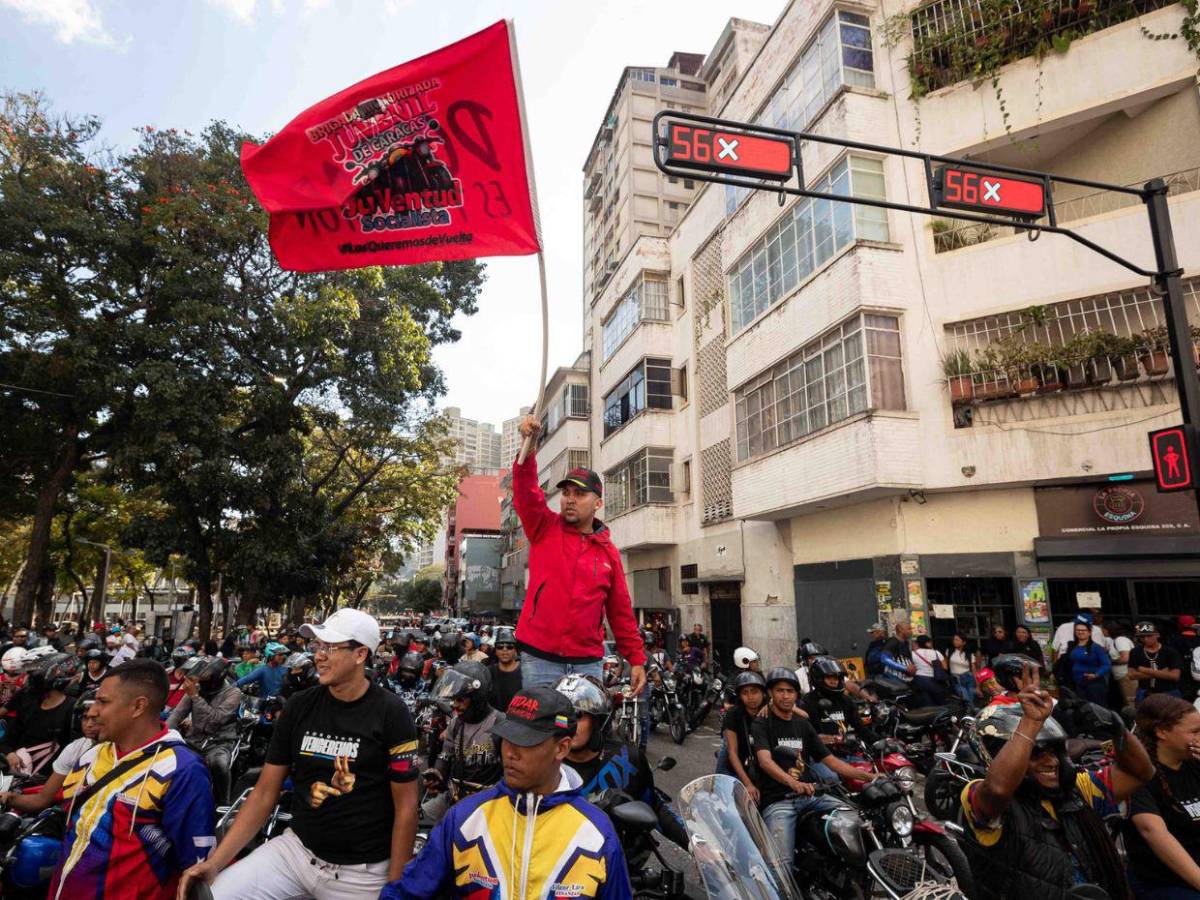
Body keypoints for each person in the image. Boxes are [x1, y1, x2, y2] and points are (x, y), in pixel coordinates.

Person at [178, 608, 419, 900]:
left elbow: (406, 808)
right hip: (295, 851)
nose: (319, 655)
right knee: (212, 894)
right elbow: (265, 792)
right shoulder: (298, 706)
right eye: (318, 645)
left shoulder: (392, 712)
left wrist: (395, 887)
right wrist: (215, 864)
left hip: (362, 872)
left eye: (331, 647)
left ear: (361, 654)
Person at [379, 686, 634, 900]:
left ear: (561, 748)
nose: (511, 752)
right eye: (506, 740)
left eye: (526, 742)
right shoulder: (465, 818)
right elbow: (407, 893)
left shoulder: (597, 833)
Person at [960, 662, 1155, 900]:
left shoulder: (1075, 789)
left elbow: (1140, 773)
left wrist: (1116, 729)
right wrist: (1031, 723)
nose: (1051, 762)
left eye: (1054, 751)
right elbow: (999, 789)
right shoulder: (980, 799)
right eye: (1036, 752)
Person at [49, 660, 215, 900]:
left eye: (103, 702)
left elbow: (195, 867)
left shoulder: (182, 770)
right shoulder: (92, 755)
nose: (93, 711)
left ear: (138, 707)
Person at [512, 416, 646, 694]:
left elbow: (620, 612)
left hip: (588, 664)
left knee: (583, 735)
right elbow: (526, 492)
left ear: (597, 503)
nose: (569, 498)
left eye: (579, 494)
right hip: (539, 658)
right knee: (541, 734)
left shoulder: (608, 553)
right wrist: (529, 444)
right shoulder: (543, 527)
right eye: (566, 492)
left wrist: (636, 659)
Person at [555, 673, 687, 846]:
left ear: (598, 720)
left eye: (578, 715)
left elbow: (656, 809)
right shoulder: (544, 763)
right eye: (562, 716)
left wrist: (698, 846)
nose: (569, 724)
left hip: (617, 861)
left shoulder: (628, 759)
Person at [752, 667, 870, 858]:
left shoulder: (802, 723)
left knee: (858, 821)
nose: (785, 696)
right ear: (770, 694)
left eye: (790, 691)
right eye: (780, 691)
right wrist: (794, 783)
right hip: (779, 801)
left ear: (797, 694)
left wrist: (869, 776)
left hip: (812, 797)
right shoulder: (762, 723)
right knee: (781, 865)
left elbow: (830, 761)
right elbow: (765, 761)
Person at [1126, 694, 1200, 898]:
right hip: (1165, 881)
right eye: (1195, 731)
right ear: (1162, 732)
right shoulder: (1139, 775)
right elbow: (1155, 834)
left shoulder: (1194, 763)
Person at [422, 659, 503, 824]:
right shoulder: (456, 723)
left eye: (460, 700)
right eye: (453, 700)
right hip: (455, 797)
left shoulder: (500, 724)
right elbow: (446, 754)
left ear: (477, 698)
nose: (454, 706)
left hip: (489, 805)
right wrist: (437, 774)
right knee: (419, 819)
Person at [167, 655, 242, 805]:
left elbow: (215, 720)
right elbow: (177, 715)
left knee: (219, 764)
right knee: (172, 761)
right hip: (194, 739)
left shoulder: (233, 694)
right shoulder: (197, 690)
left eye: (205, 677)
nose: (200, 681)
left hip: (219, 741)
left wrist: (195, 696)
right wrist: (161, 736)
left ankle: (223, 804)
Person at [0, 702, 100, 814]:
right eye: (85, 718)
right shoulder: (74, 748)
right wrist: (9, 798)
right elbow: (42, 800)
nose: (89, 724)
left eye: (95, 719)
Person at [0, 651, 77, 776]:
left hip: (48, 778)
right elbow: (8, 740)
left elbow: (73, 751)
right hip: (19, 773)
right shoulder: (29, 706)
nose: (28, 681)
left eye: (34, 677)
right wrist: (10, 754)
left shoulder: (73, 709)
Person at [802, 657, 879, 751]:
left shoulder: (845, 701)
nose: (834, 681)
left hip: (848, 752)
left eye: (836, 677)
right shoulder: (808, 702)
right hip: (822, 756)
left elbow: (861, 729)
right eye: (829, 677)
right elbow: (806, 735)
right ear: (818, 678)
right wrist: (833, 739)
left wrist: (882, 741)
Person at [722, 670, 767, 796]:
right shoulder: (733, 714)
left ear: (763, 693)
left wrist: (772, 704)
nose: (750, 697)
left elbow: (803, 715)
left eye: (754, 691)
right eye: (745, 693)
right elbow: (732, 752)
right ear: (740, 696)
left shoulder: (770, 711)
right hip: (739, 770)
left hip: (766, 772)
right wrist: (748, 784)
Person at [1057, 618, 1111, 705]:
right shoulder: (1072, 646)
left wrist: (1096, 674)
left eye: (1083, 630)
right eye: (1078, 630)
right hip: (1077, 684)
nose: (1080, 632)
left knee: (1096, 709)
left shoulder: (1096, 647)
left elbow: (1106, 664)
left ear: (1089, 632)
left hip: (1094, 684)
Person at [1131, 621, 1184, 703]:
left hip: (1168, 693)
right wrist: (1162, 673)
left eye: (1149, 636)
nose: (1145, 639)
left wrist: (1145, 670)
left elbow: (1175, 676)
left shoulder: (1170, 651)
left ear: (1157, 635)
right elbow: (1132, 675)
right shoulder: (1135, 652)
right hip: (1145, 693)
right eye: (1142, 637)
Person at [488, 626, 522, 714]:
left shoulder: (526, 672)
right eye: (500, 647)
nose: (504, 650)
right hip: (495, 723)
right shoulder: (488, 672)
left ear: (515, 650)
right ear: (495, 650)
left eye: (509, 647)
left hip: (519, 722)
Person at [912, 634, 949, 706]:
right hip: (935, 680)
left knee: (927, 704)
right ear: (927, 643)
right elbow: (945, 667)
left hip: (920, 681)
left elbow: (911, 667)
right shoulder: (936, 653)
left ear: (918, 643)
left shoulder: (913, 653)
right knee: (940, 703)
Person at [1107, 621, 1137, 708]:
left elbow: (1125, 658)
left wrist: (1110, 661)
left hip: (1126, 676)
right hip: (1122, 677)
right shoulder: (1115, 641)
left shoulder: (1120, 640)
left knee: (1131, 702)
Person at [881, 621, 916, 689]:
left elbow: (907, 658)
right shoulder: (892, 642)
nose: (911, 631)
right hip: (894, 679)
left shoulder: (905, 642)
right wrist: (905, 668)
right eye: (909, 629)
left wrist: (912, 668)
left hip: (906, 678)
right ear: (900, 630)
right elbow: (884, 658)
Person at [948, 633, 976, 705]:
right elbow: (945, 665)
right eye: (954, 639)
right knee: (966, 699)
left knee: (971, 699)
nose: (954, 641)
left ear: (963, 642)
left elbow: (973, 670)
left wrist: (977, 685)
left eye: (957, 640)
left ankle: (970, 714)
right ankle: (971, 713)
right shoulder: (949, 651)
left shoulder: (969, 654)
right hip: (956, 678)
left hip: (968, 677)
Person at [165, 645, 196, 709]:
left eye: (181, 660)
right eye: (177, 660)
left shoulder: (195, 678)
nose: (179, 663)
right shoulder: (167, 674)